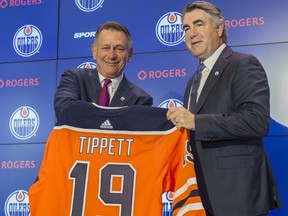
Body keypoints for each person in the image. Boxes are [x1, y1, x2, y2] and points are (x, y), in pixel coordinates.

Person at [166, 1, 282, 216]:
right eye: (186, 28)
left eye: (199, 24)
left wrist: (195, 122)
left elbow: (256, 121)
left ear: (219, 28)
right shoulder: (192, 81)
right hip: (200, 196)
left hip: (237, 196)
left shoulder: (243, 64)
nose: (191, 33)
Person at [54, 21, 152, 119]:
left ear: (129, 54)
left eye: (119, 49)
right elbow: (64, 110)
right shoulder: (74, 78)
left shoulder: (140, 99)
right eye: (105, 48)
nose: (111, 55)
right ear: (94, 51)